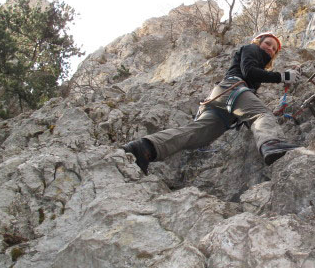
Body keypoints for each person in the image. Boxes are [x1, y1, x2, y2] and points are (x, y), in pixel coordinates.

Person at [122, 32, 301, 175]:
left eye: (274, 49)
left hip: (221, 99)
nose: (269, 48)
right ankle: (273, 144)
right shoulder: (251, 49)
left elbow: (252, 83)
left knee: (194, 133)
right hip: (233, 89)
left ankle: (144, 148)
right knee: (261, 114)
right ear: (258, 42)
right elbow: (250, 72)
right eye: (267, 43)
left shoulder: (257, 61)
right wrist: (282, 76)